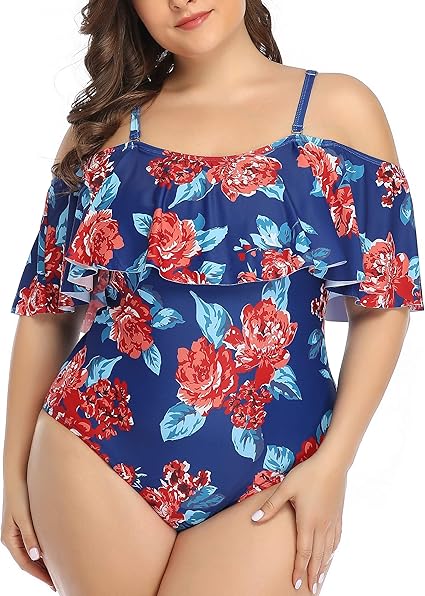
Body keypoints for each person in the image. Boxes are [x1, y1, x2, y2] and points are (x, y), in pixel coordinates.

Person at [2, 1, 424, 595]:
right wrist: (11, 475)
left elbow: (385, 300)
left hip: (280, 469)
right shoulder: (102, 131)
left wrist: (335, 464)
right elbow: (47, 309)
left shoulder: (340, 108)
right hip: (93, 451)